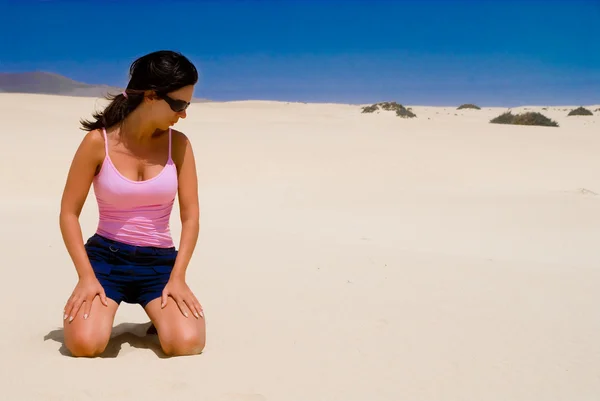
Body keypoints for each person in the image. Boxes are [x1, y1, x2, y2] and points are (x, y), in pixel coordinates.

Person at [59, 50, 205, 357]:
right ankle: (100, 313)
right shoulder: (98, 143)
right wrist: (86, 278)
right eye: (179, 104)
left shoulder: (178, 145)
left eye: (188, 105)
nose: (184, 114)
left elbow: (190, 217)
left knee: (186, 343)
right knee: (86, 345)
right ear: (151, 96)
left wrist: (178, 278)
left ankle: (159, 318)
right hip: (105, 261)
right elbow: (69, 214)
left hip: (159, 264)